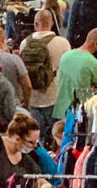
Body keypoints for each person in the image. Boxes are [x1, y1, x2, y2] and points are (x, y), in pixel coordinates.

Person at [19, 9, 71, 138]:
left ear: (35, 24)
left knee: (36, 137)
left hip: (32, 98)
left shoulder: (24, 43)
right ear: (52, 23)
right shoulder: (62, 43)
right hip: (55, 96)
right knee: (58, 136)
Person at [52, 28, 97, 120]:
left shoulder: (65, 56)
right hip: (81, 112)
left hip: (61, 109)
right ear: (96, 44)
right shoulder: (94, 63)